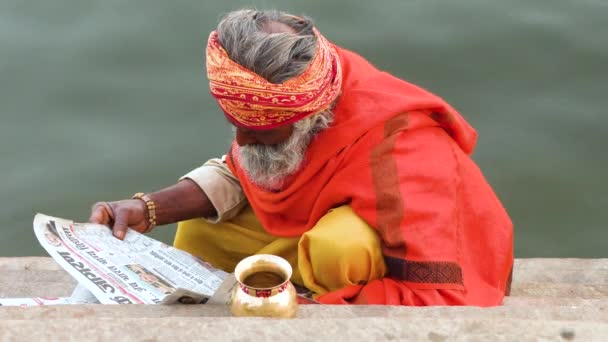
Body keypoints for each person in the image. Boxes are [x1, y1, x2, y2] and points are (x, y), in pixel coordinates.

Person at [89, 9, 513, 306]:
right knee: (199, 235)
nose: (241, 138)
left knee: (336, 246)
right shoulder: (292, 96)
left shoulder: (404, 146)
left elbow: (439, 290)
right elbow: (242, 174)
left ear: (311, 116)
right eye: (235, 123)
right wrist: (146, 208)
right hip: (308, 225)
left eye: (258, 131)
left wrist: (318, 313)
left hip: (390, 260)